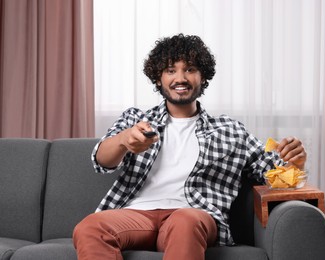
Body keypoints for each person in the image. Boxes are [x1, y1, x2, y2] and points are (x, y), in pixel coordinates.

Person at [73, 33, 307, 260]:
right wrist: (124, 140)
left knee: (185, 221)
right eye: (170, 70)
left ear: (203, 76)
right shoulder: (136, 120)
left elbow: (275, 172)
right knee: (91, 227)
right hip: (136, 215)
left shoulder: (230, 131)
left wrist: (294, 160)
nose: (180, 78)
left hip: (192, 215)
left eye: (190, 69)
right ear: (158, 78)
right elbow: (101, 160)